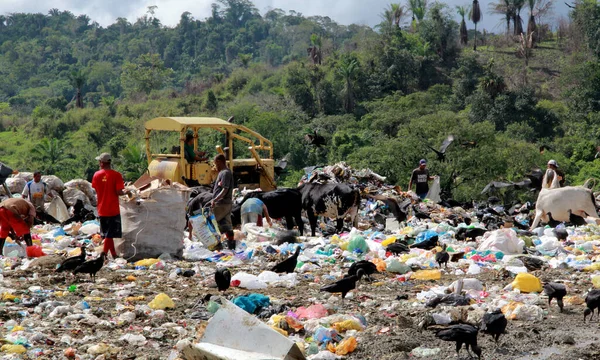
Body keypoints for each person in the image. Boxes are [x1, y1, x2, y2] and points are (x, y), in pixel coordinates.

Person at [91, 153, 131, 258]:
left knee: (108, 233)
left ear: (102, 163)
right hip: (112, 209)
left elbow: (96, 188)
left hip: (101, 208)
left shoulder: (96, 175)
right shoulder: (116, 175)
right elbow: (118, 191)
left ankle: (113, 254)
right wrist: (127, 192)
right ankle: (104, 254)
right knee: (109, 234)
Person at [209, 154, 235, 250]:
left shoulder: (225, 173)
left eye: (216, 163)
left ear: (219, 161)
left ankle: (215, 247)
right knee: (227, 226)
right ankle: (231, 247)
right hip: (225, 204)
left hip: (221, 203)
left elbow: (224, 189)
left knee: (211, 223)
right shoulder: (223, 173)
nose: (215, 166)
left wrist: (215, 200)